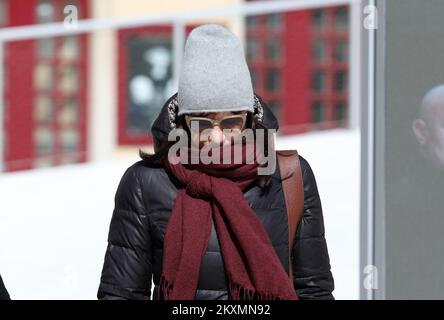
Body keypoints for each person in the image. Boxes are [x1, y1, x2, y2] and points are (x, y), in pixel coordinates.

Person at [97, 24, 334, 300]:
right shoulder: (145, 181)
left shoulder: (291, 176)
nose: (218, 138)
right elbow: (120, 294)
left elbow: (314, 291)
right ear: (182, 122)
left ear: (249, 118)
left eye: (231, 122)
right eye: (203, 124)